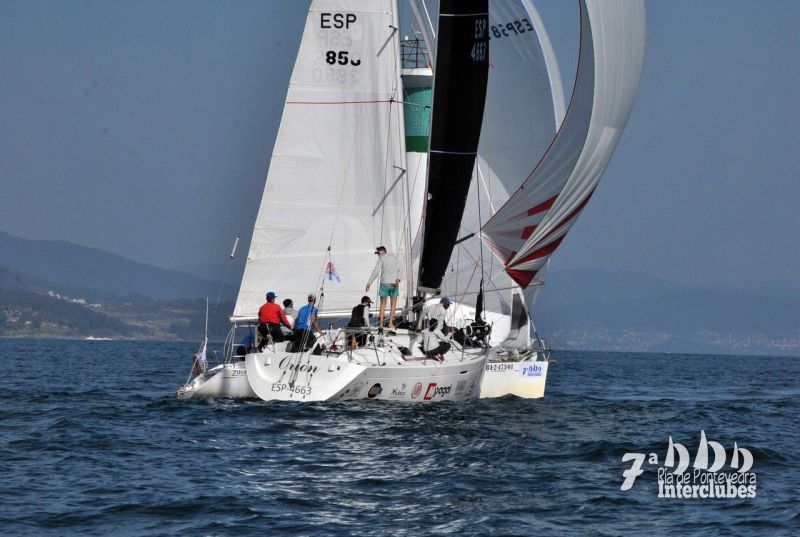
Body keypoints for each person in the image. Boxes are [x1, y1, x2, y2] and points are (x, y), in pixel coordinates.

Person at [365, 245, 401, 329]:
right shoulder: (394, 258)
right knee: (393, 305)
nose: (378, 255)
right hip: (394, 284)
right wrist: (398, 279)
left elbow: (376, 271)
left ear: (382, 252)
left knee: (382, 305)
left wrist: (369, 282)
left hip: (384, 284)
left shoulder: (381, 258)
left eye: (378, 253)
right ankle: (390, 323)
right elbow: (401, 269)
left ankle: (381, 324)